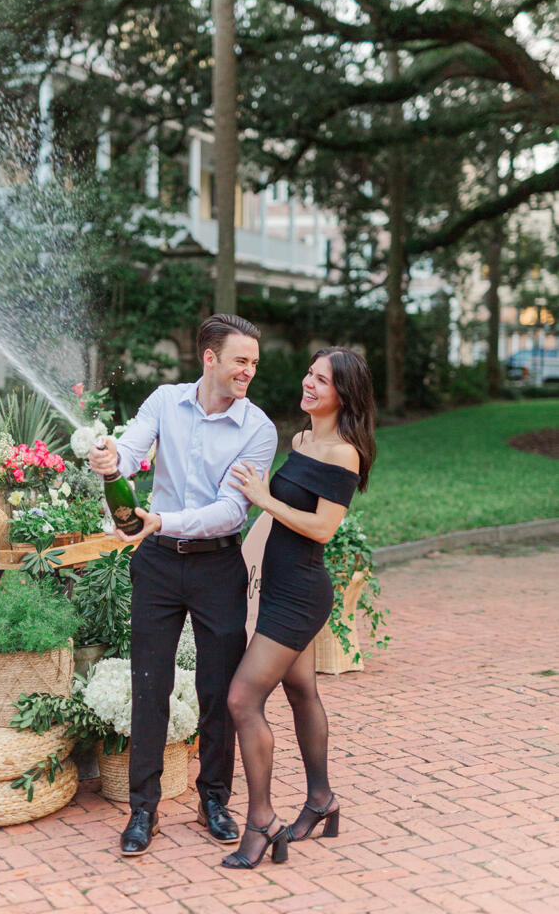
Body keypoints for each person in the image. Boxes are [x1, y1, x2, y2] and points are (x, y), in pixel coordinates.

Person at [88, 314, 278, 857]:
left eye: (254, 363)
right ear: (210, 358)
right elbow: (129, 452)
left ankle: (214, 798)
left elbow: (227, 513)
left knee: (218, 690)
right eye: (241, 360)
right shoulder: (166, 402)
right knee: (150, 686)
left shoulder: (257, 429)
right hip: (157, 564)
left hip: (218, 566)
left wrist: (162, 520)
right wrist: (109, 460)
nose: (249, 371)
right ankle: (142, 809)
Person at [221, 346, 376, 870]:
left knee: (243, 698)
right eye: (310, 374)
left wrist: (263, 498)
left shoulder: (343, 454)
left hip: (302, 594)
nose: (308, 384)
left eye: (322, 381)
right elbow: (279, 519)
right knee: (301, 688)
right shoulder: (303, 439)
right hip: (280, 586)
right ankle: (321, 800)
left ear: (343, 394)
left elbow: (322, 528)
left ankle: (261, 822)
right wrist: (249, 553)